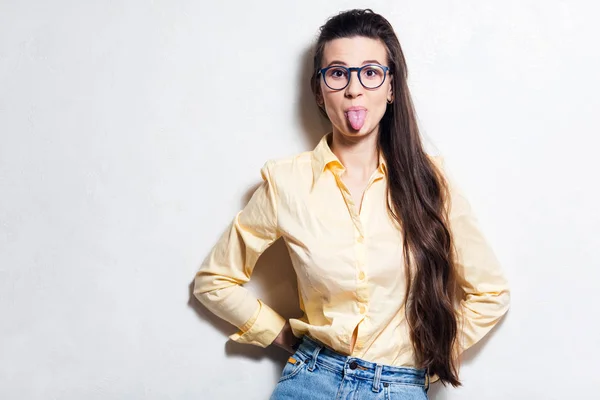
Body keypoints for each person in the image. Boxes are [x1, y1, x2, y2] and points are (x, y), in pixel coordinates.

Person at [193, 8, 510, 399]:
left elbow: (491, 293)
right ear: (319, 90)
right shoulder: (286, 182)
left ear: (391, 87)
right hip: (310, 380)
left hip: (398, 386)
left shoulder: (430, 182)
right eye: (338, 73)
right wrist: (281, 335)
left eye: (371, 72)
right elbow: (214, 282)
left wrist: (433, 353)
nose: (354, 89)